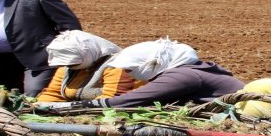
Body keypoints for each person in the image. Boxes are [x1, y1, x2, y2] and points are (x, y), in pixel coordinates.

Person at [37, 38, 245, 109]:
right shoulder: (188, 70)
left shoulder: (181, 76)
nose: (131, 74)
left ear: (154, 64)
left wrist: (65, 108)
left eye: (131, 69)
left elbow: (125, 102)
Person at [35, 30, 140, 103]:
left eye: (73, 63)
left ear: (87, 54)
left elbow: (112, 100)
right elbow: (53, 93)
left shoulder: (118, 66)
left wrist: (70, 110)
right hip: (77, 112)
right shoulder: (67, 68)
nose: (69, 66)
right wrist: (39, 106)